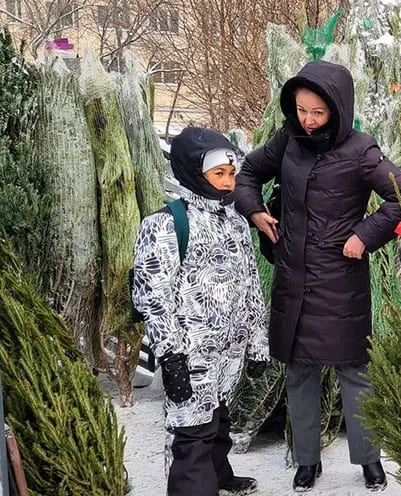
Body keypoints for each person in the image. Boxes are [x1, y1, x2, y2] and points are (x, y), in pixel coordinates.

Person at [234, 60, 401, 493]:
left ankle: (369, 461)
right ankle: (307, 462)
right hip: (293, 275)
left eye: (318, 112)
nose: (308, 121)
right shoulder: (287, 140)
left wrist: (365, 236)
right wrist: (255, 210)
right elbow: (248, 175)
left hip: (341, 280)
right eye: (301, 110)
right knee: (299, 371)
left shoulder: (361, 149)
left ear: (338, 107)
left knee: (355, 371)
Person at [131, 126, 269, 496]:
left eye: (231, 174)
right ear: (194, 172)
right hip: (191, 352)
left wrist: (257, 344)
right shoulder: (166, 224)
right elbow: (153, 296)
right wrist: (170, 355)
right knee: (193, 430)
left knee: (219, 417)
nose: (227, 183)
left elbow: (250, 285)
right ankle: (193, 487)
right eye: (218, 174)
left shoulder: (237, 222)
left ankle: (219, 475)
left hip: (229, 349)